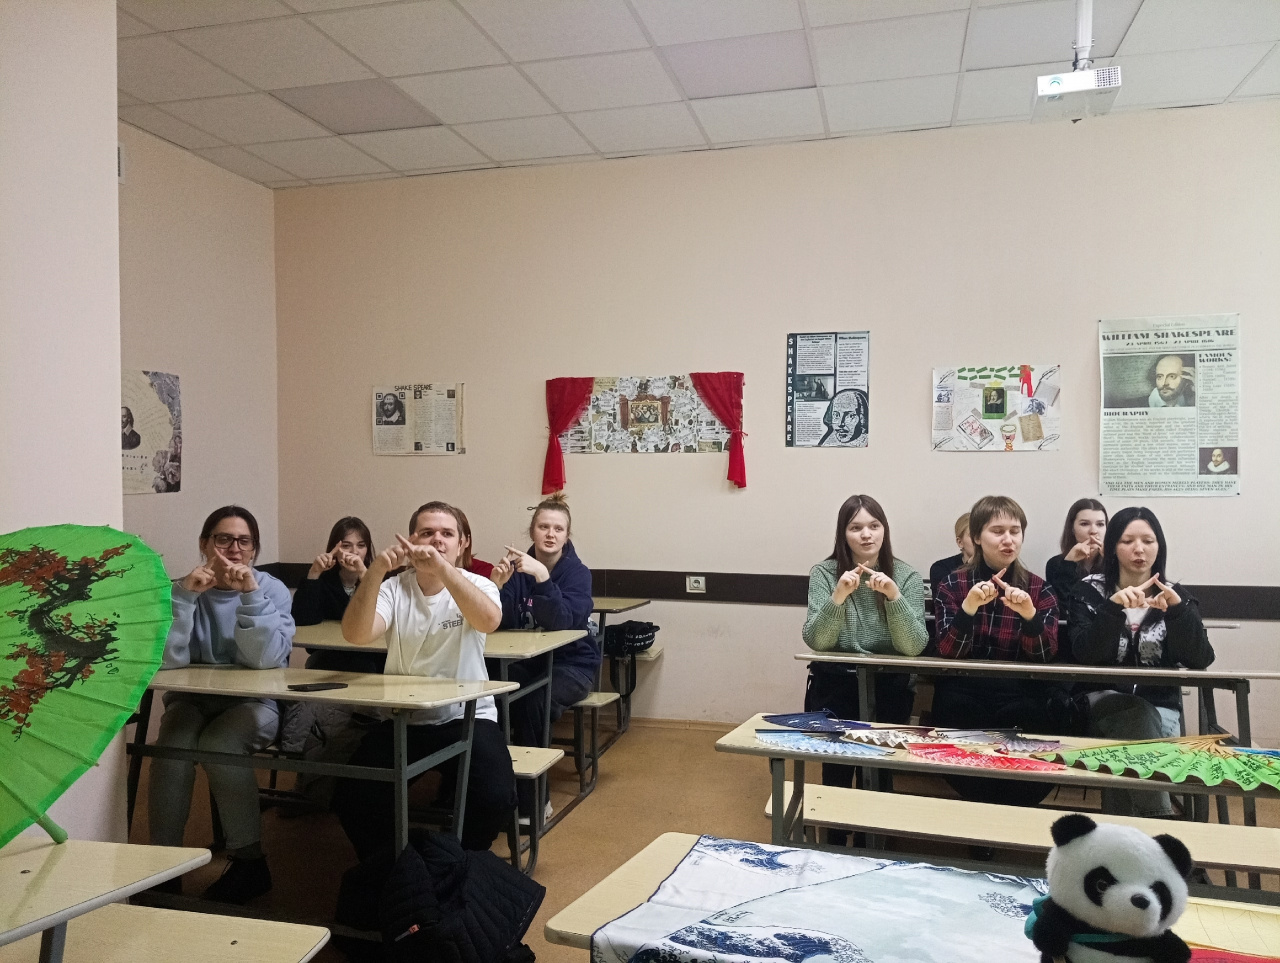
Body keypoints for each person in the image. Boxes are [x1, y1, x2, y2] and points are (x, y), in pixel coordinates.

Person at [333, 501, 515, 858]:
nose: (437, 540)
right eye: (427, 532)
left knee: (495, 796)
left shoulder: (479, 584)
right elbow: (356, 634)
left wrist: (443, 569)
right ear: (411, 539)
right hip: (405, 717)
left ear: (463, 543)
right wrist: (377, 570)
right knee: (353, 795)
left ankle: (464, 863)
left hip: (468, 716)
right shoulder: (393, 588)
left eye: (447, 533)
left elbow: (488, 621)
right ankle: (399, 867)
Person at [149, 506, 294, 903]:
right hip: (192, 700)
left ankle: (250, 862)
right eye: (223, 539)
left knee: (220, 744)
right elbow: (166, 661)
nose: (234, 549)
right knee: (171, 750)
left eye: (244, 541)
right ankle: (163, 865)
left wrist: (250, 595)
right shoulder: (183, 587)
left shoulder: (271, 589)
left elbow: (265, 660)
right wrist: (184, 599)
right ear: (205, 544)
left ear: (254, 549)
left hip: (254, 703)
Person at [1069, 507, 1213, 817]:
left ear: (1159, 546)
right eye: (1128, 541)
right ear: (1112, 547)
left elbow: (1200, 658)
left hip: (1162, 708)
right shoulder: (1088, 591)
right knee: (1135, 716)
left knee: (1130, 743)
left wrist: (1177, 613)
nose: (1139, 549)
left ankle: (1126, 838)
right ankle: (1160, 821)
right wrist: (1112, 610)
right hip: (1100, 703)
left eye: (1148, 541)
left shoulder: (1176, 595)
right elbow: (1085, 653)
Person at [934, 495, 1061, 806]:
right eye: (997, 531)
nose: (1008, 540)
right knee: (955, 712)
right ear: (977, 537)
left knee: (1035, 719)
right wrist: (968, 608)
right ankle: (983, 812)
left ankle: (1011, 811)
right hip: (965, 687)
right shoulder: (953, 584)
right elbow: (948, 651)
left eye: (1015, 531)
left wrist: (1030, 617)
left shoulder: (1039, 588)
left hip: (1019, 690)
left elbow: (1045, 656)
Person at [802, 494, 927, 794]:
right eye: (855, 528)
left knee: (880, 771)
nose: (866, 534)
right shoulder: (823, 573)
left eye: (874, 525)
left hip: (889, 686)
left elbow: (914, 646)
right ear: (843, 534)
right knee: (836, 770)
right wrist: (838, 597)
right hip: (836, 683)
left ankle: (875, 824)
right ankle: (833, 822)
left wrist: (894, 597)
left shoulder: (907, 576)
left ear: (885, 530)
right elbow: (817, 641)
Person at [490, 494, 599, 821]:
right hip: (527, 661)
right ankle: (487, 790)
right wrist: (496, 589)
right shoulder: (515, 569)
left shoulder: (578, 574)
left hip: (573, 666)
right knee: (488, 693)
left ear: (567, 535)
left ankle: (535, 801)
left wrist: (542, 577)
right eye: (543, 527)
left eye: (558, 529)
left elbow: (561, 621)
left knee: (534, 703)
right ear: (532, 531)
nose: (550, 534)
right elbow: (503, 622)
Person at [1044, 499, 1108, 603]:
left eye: (1100, 524)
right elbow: (1063, 606)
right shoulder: (1055, 564)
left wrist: (1111, 562)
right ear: (1072, 528)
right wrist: (1068, 565)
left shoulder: (1116, 561)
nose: (1093, 531)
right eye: (1085, 524)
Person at [929, 512, 974, 612]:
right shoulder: (941, 568)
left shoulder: (997, 566)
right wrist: (971, 565)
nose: (979, 541)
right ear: (960, 542)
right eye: (972, 535)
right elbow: (945, 611)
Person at [456, 508, 495, 580]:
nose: (439, 539)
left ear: (467, 541)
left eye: (448, 534)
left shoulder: (485, 571)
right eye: (432, 533)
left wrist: (496, 584)